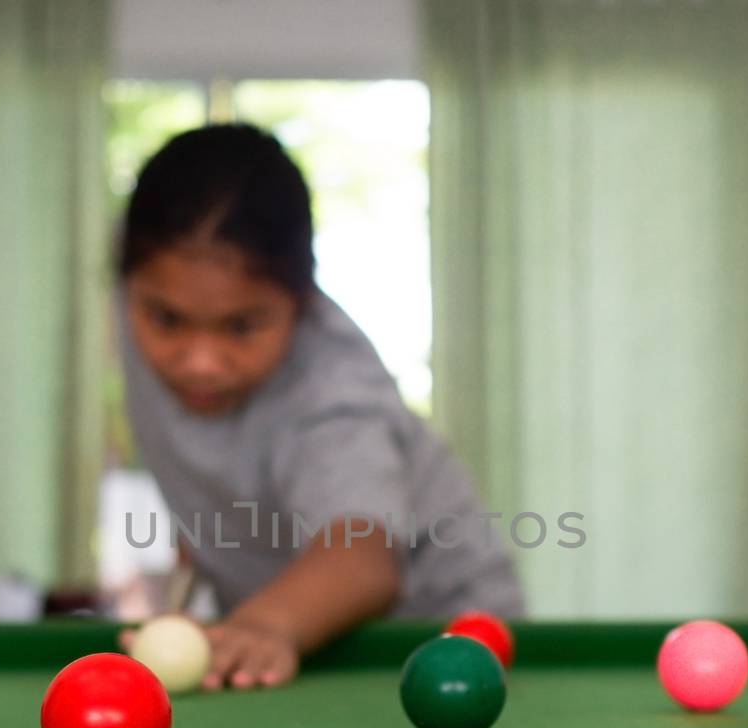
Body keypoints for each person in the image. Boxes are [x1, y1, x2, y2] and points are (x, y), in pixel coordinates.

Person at [117, 123, 522, 690]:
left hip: (445, 639)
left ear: (301, 300)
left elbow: (361, 560)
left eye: (242, 326)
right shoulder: (147, 294)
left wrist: (263, 623)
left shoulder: (332, 390)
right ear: (127, 285)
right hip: (284, 636)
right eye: (167, 320)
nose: (200, 361)